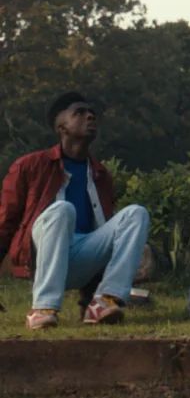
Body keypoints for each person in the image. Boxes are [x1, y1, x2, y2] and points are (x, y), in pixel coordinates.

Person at [0, 92, 150, 330]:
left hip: (81, 260)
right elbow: (5, 221)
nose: (90, 116)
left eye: (92, 113)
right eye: (79, 113)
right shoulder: (30, 165)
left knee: (136, 213)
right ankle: (43, 308)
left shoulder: (100, 175)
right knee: (62, 209)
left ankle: (104, 301)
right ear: (62, 127)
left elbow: (102, 231)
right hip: (41, 257)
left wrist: (86, 299)